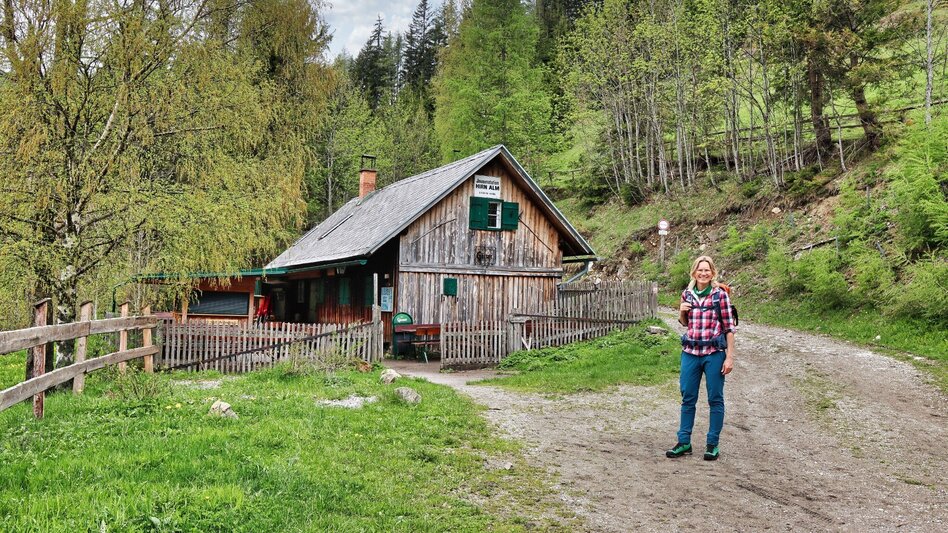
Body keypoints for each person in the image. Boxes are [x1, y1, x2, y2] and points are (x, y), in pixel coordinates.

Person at [666, 255, 735, 461]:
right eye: (700, 270)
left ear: (712, 273)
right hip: (690, 353)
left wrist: (729, 357)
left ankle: (712, 444)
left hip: (714, 354)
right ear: (694, 272)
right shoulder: (686, 294)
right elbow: (685, 323)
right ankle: (684, 441)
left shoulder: (719, 296)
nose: (703, 273)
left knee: (715, 399)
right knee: (688, 398)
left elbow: (729, 328)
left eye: (707, 270)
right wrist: (681, 311)